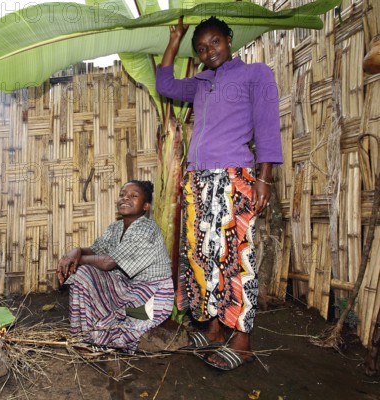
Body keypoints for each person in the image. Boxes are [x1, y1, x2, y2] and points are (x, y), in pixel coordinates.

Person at [155, 16, 283, 370]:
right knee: (204, 258)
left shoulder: (255, 74)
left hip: (234, 179)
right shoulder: (199, 83)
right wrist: (174, 40)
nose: (209, 51)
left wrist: (264, 178)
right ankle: (214, 328)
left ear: (229, 39)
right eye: (200, 48)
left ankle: (242, 340)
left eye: (214, 42)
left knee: (237, 259)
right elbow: (164, 83)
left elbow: (268, 126)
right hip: (197, 182)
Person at [57, 180, 174, 354]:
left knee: (120, 334)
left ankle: (99, 337)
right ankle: (83, 339)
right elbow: (94, 251)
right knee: (84, 274)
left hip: (151, 301)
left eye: (133, 196)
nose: (125, 198)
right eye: (122, 195)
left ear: (146, 206)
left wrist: (77, 259)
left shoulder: (147, 229)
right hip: (127, 292)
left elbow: (107, 262)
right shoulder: (116, 228)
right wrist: (76, 251)